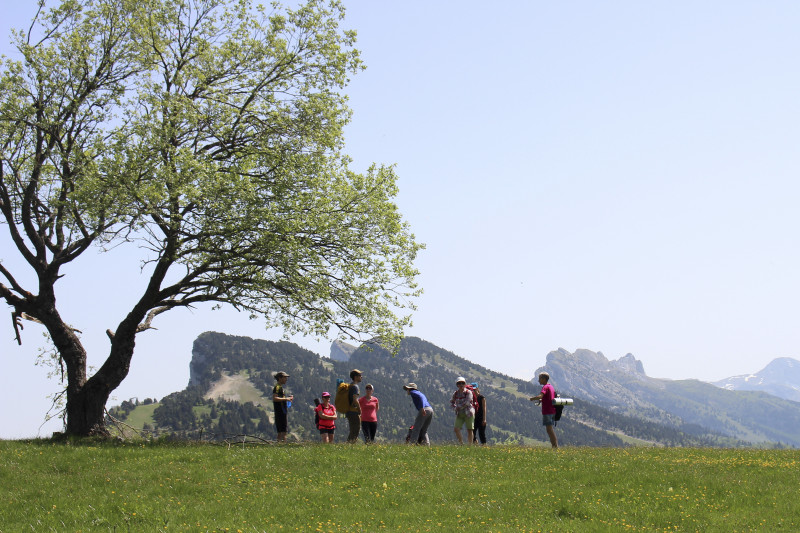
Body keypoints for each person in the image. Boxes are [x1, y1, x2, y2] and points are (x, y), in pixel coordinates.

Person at [530, 371, 558, 449]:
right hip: (552, 411)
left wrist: (532, 398)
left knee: (549, 430)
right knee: (550, 429)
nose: (538, 380)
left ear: (543, 379)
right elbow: (550, 398)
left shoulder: (545, 387)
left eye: (539, 378)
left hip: (547, 411)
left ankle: (555, 446)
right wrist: (542, 400)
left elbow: (540, 396)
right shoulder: (551, 387)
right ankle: (554, 446)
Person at [450, 377, 475, 445]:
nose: (461, 385)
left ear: (465, 384)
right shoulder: (455, 393)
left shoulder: (468, 392)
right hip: (459, 414)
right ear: (457, 385)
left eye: (462, 383)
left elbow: (467, 403)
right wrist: (454, 407)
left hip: (469, 413)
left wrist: (457, 407)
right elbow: (452, 401)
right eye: (459, 383)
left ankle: (470, 445)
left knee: (469, 429)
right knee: (456, 429)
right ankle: (461, 444)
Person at [272, 371, 294, 442]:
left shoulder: (280, 387)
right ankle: (283, 444)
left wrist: (287, 399)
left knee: (281, 430)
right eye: (285, 377)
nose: (286, 379)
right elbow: (275, 398)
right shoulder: (277, 387)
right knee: (283, 430)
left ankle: (279, 444)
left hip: (282, 410)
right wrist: (286, 399)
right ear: (280, 378)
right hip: (280, 411)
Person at [346, 369, 363, 443]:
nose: (361, 377)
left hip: (349, 411)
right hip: (353, 412)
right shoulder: (355, 387)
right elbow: (355, 400)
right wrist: (359, 409)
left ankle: (349, 444)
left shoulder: (351, 385)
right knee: (355, 430)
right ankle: (350, 445)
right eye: (360, 375)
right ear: (355, 377)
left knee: (353, 430)